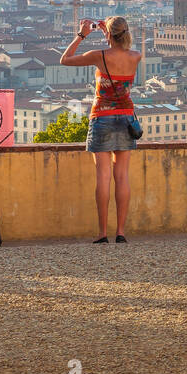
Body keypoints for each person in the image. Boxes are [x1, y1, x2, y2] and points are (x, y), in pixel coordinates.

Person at [60, 16, 143, 243]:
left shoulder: (100, 56)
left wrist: (82, 34)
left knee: (103, 177)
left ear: (108, 33)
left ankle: (102, 233)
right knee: (122, 177)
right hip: (126, 119)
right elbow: (123, 45)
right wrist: (110, 30)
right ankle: (121, 232)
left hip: (102, 117)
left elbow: (64, 60)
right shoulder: (136, 56)